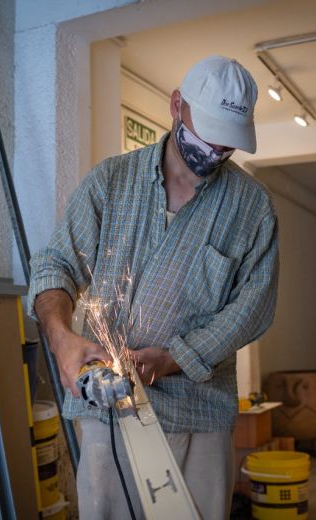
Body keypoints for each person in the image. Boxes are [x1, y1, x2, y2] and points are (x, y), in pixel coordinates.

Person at [28, 55, 279, 519]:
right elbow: (57, 264)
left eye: (228, 142)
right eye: (208, 132)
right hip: (108, 408)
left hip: (197, 412)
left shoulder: (252, 208)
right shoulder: (110, 181)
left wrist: (175, 357)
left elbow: (253, 307)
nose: (217, 150)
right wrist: (61, 338)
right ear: (176, 105)